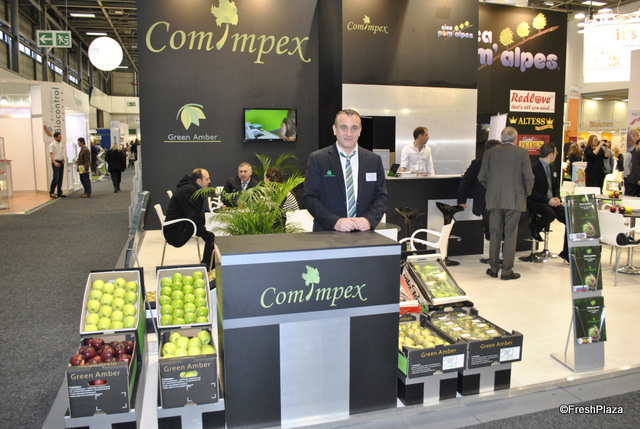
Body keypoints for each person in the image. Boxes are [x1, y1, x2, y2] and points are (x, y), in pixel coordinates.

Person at [303, 109, 388, 232]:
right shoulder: (318, 159)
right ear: (334, 129)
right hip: (327, 233)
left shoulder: (374, 160)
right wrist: (334, 222)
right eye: (344, 127)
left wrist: (369, 220)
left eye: (354, 128)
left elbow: (381, 196)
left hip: (363, 234)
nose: (349, 133)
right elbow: (310, 198)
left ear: (360, 131)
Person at [478, 126, 534, 280]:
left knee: (495, 233)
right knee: (510, 234)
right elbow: (529, 177)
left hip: (494, 199)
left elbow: (481, 177)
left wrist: (492, 188)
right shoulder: (522, 153)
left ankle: (493, 268)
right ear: (516, 138)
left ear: (501, 138)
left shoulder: (490, 153)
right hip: (514, 199)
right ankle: (507, 271)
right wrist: (525, 192)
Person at [164, 168, 216, 270]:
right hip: (177, 230)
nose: (209, 181)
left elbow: (195, 213)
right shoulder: (189, 191)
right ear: (198, 181)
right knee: (211, 237)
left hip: (184, 224)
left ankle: (207, 265)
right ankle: (207, 268)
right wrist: (205, 230)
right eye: (207, 179)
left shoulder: (190, 188)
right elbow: (194, 215)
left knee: (211, 233)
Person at [526, 143, 568, 262]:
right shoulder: (534, 168)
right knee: (550, 214)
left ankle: (566, 252)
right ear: (550, 154)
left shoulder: (553, 167)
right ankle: (534, 228)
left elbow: (556, 186)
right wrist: (547, 200)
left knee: (569, 219)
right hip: (537, 201)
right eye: (556, 152)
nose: (557, 154)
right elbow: (531, 191)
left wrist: (557, 197)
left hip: (551, 200)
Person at [457, 139, 502, 240]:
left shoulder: (504, 164)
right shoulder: (477, 164)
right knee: (491, 226)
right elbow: (466, 181)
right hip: (484, 202)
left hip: (501, 202)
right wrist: (461, 199)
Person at [48, 132, 67, 198]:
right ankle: (51, 192)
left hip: (61, 161)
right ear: (55, 137)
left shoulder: (61, 144)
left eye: (60, 137)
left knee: (60, 178)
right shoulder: (52, 145)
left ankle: (59, 192)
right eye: (59, 137)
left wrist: (63, 159)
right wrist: (54, 162)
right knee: (56, 177)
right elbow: (51, 154)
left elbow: (61, 153)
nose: (60, 138)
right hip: (56, 161)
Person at [624, 129, 639, 195]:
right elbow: (626, 165)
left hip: (634, 178)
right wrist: (629, 175)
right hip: (630, 178)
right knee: (629, 194)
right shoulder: (630, 153)